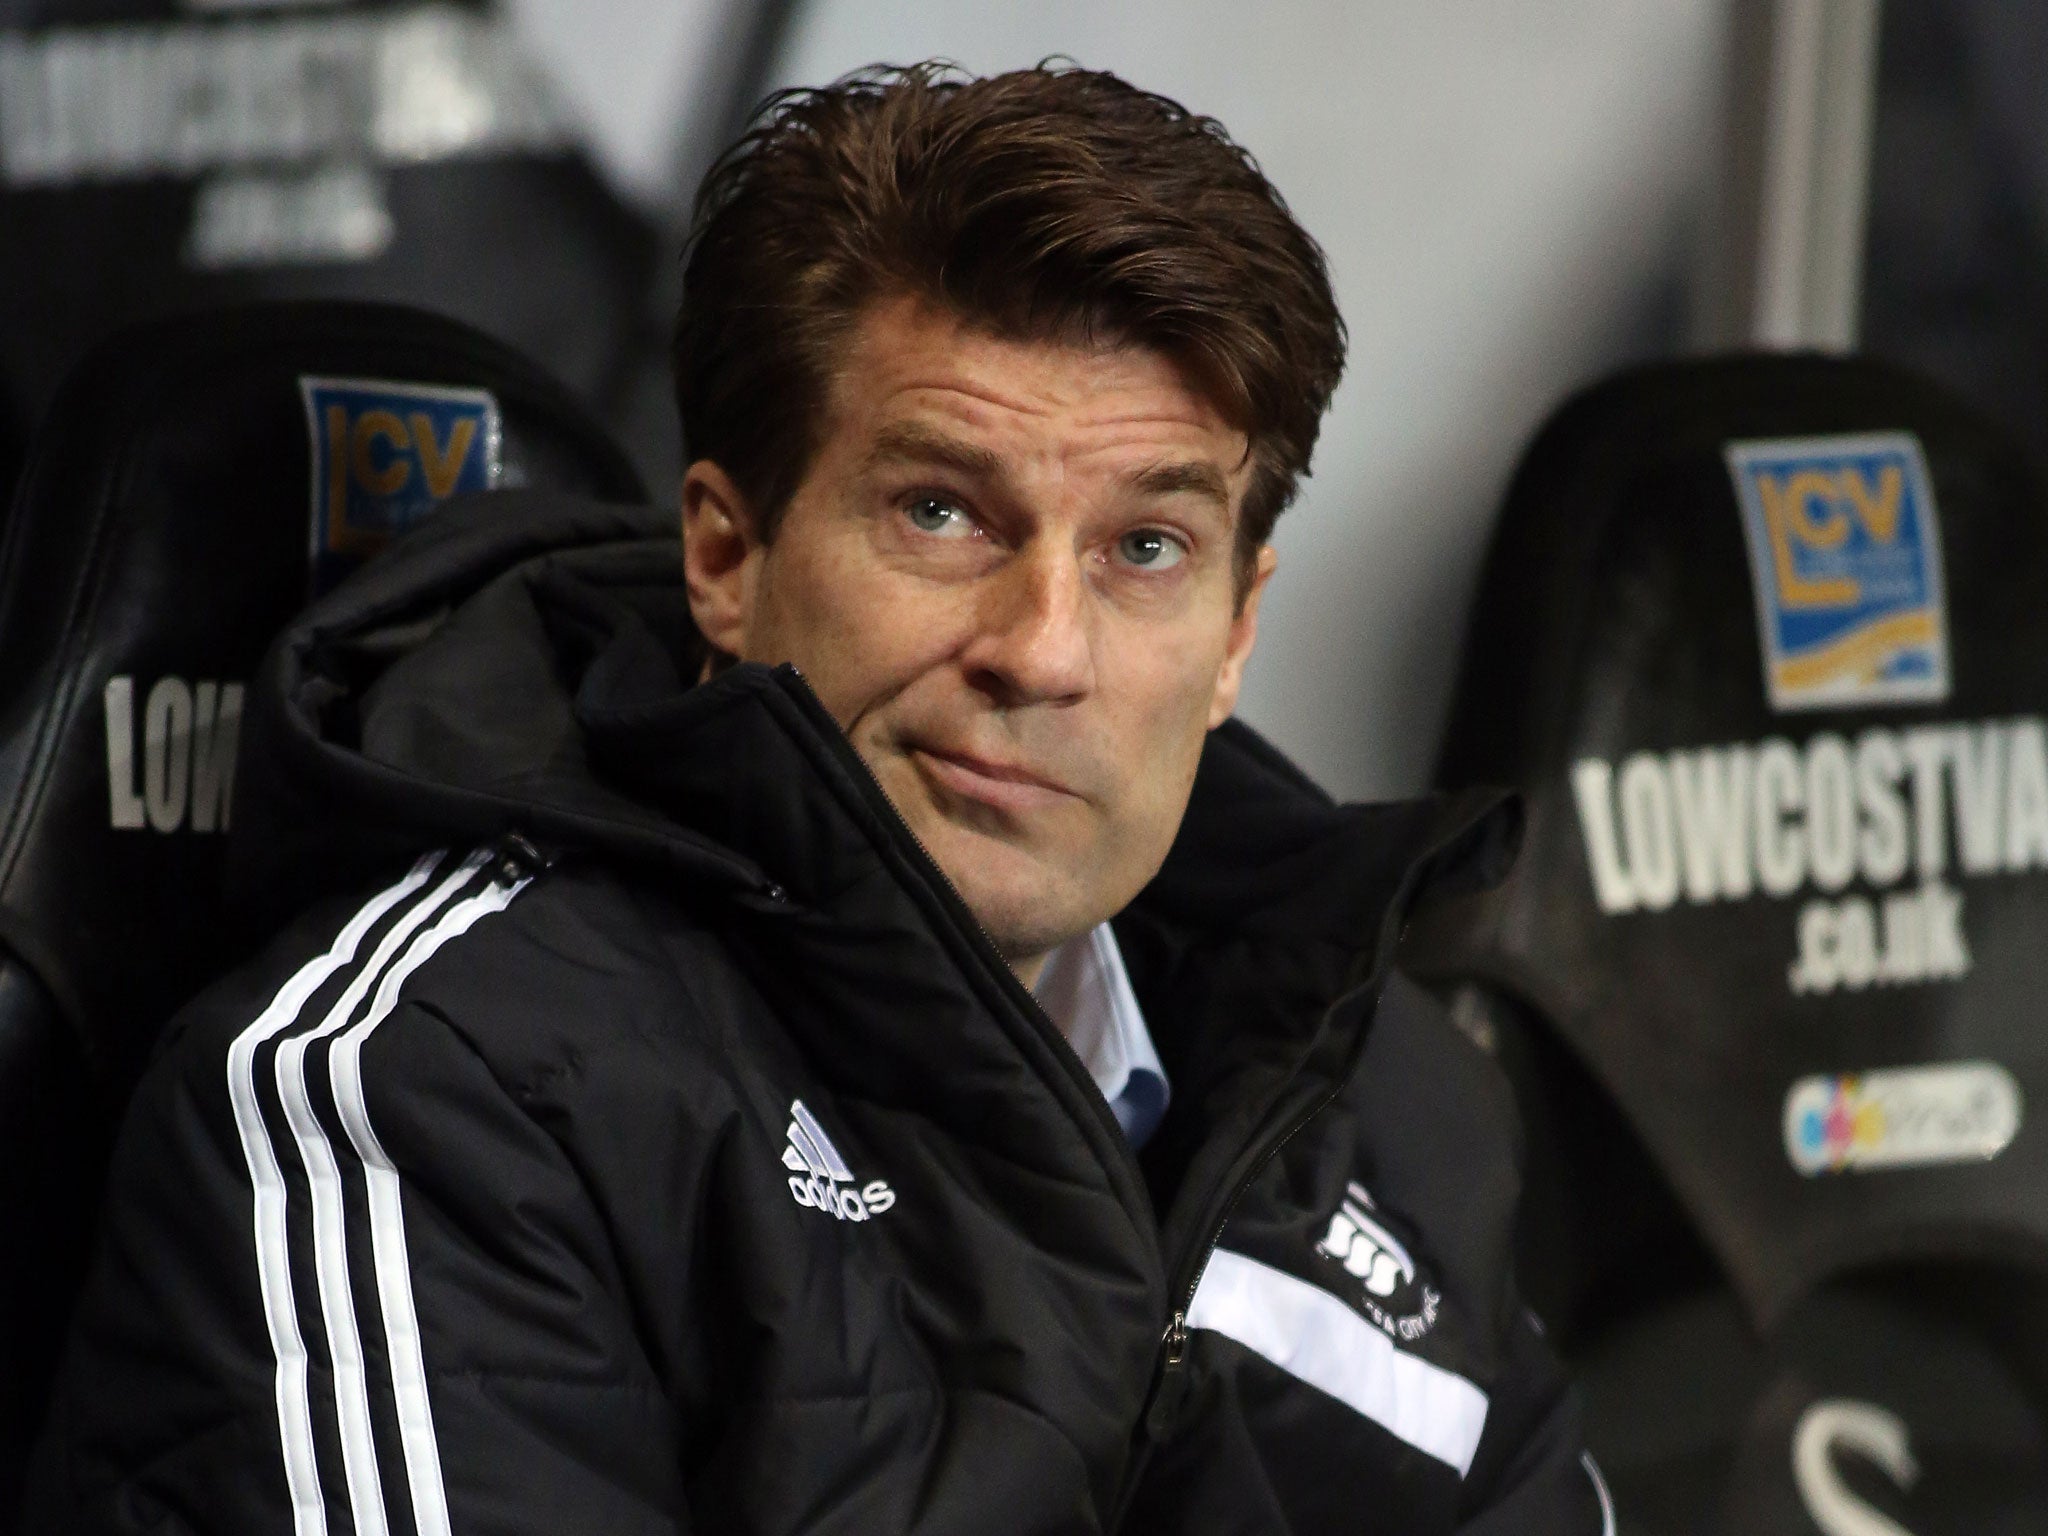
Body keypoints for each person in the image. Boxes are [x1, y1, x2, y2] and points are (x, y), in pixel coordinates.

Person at [26, 63, 1607, 1534]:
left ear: (1237, 630)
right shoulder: (423, 1096)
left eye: (1147, 549)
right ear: (726, 555)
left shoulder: (1379, 1092)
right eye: (941, 512)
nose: (1044, 653)